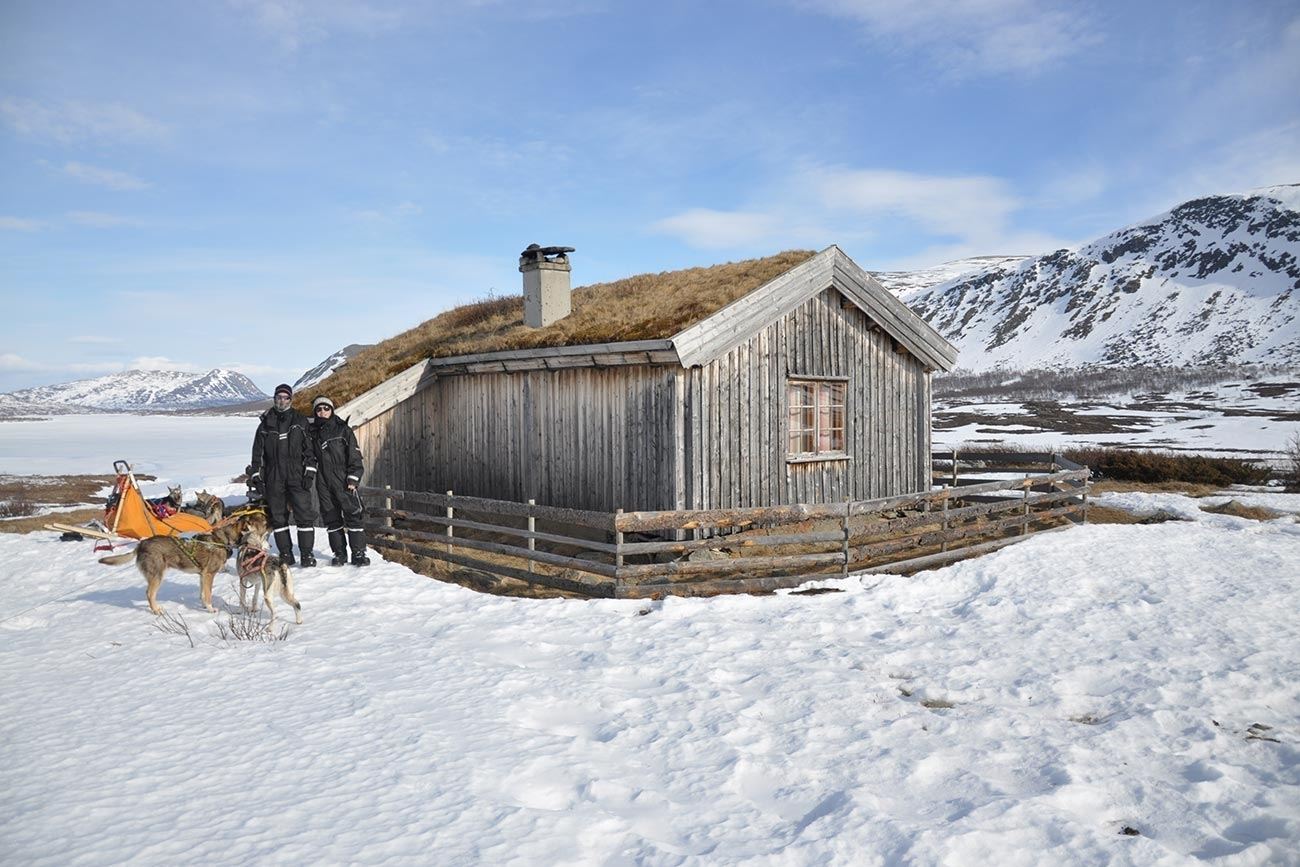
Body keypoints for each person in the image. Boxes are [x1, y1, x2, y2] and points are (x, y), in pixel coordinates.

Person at [248, 383, 319, 566]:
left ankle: (307, 554)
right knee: (279, 518)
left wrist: (309, 472)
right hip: (274, 476)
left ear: (290, 400)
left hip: (296, 474)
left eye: (285, 397)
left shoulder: (299, 421)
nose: (282, 400)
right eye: (279, 397)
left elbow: (309, 450)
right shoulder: (265, 424)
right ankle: (286, 554)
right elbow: (257, 454)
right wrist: (257, 476)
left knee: (304, 515)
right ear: (274, 399)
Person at [309, 395, 370, 566]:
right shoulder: (312, 432)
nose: (323, 411)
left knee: (353, 515)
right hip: (323, 480)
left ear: (332, 410)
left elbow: (355, 456)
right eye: (319, 409)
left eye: (326, 408)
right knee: (331, 517)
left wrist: (353, 478)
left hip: (343, 478)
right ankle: (339, 553)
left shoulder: (343, 430)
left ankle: (358, 553)